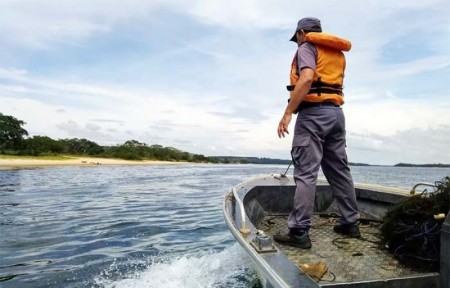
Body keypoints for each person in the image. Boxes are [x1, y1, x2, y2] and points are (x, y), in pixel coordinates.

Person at [274, 17, 360, 249]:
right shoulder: (337, 54)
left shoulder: (307, 47)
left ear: (302, 32)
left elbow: (308, 77)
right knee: (339, 171)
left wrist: (288, 112)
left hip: (313, 116)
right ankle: (350, 223)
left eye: (297, 38)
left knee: (306, 173)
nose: (297, 43)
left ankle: (299, 231)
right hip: (336, 115)